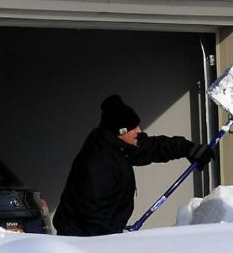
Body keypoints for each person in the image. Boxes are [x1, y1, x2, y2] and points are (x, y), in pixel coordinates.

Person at [52, 94, 215, 236]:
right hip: (80, 239)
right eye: (133, 127)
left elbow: (152, 147)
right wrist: (113, 241)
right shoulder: (98, 163)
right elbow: (94, 218)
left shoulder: (119, 146)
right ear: (121, 131)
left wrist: (188, 148)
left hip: (103, 233)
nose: (139, 130)